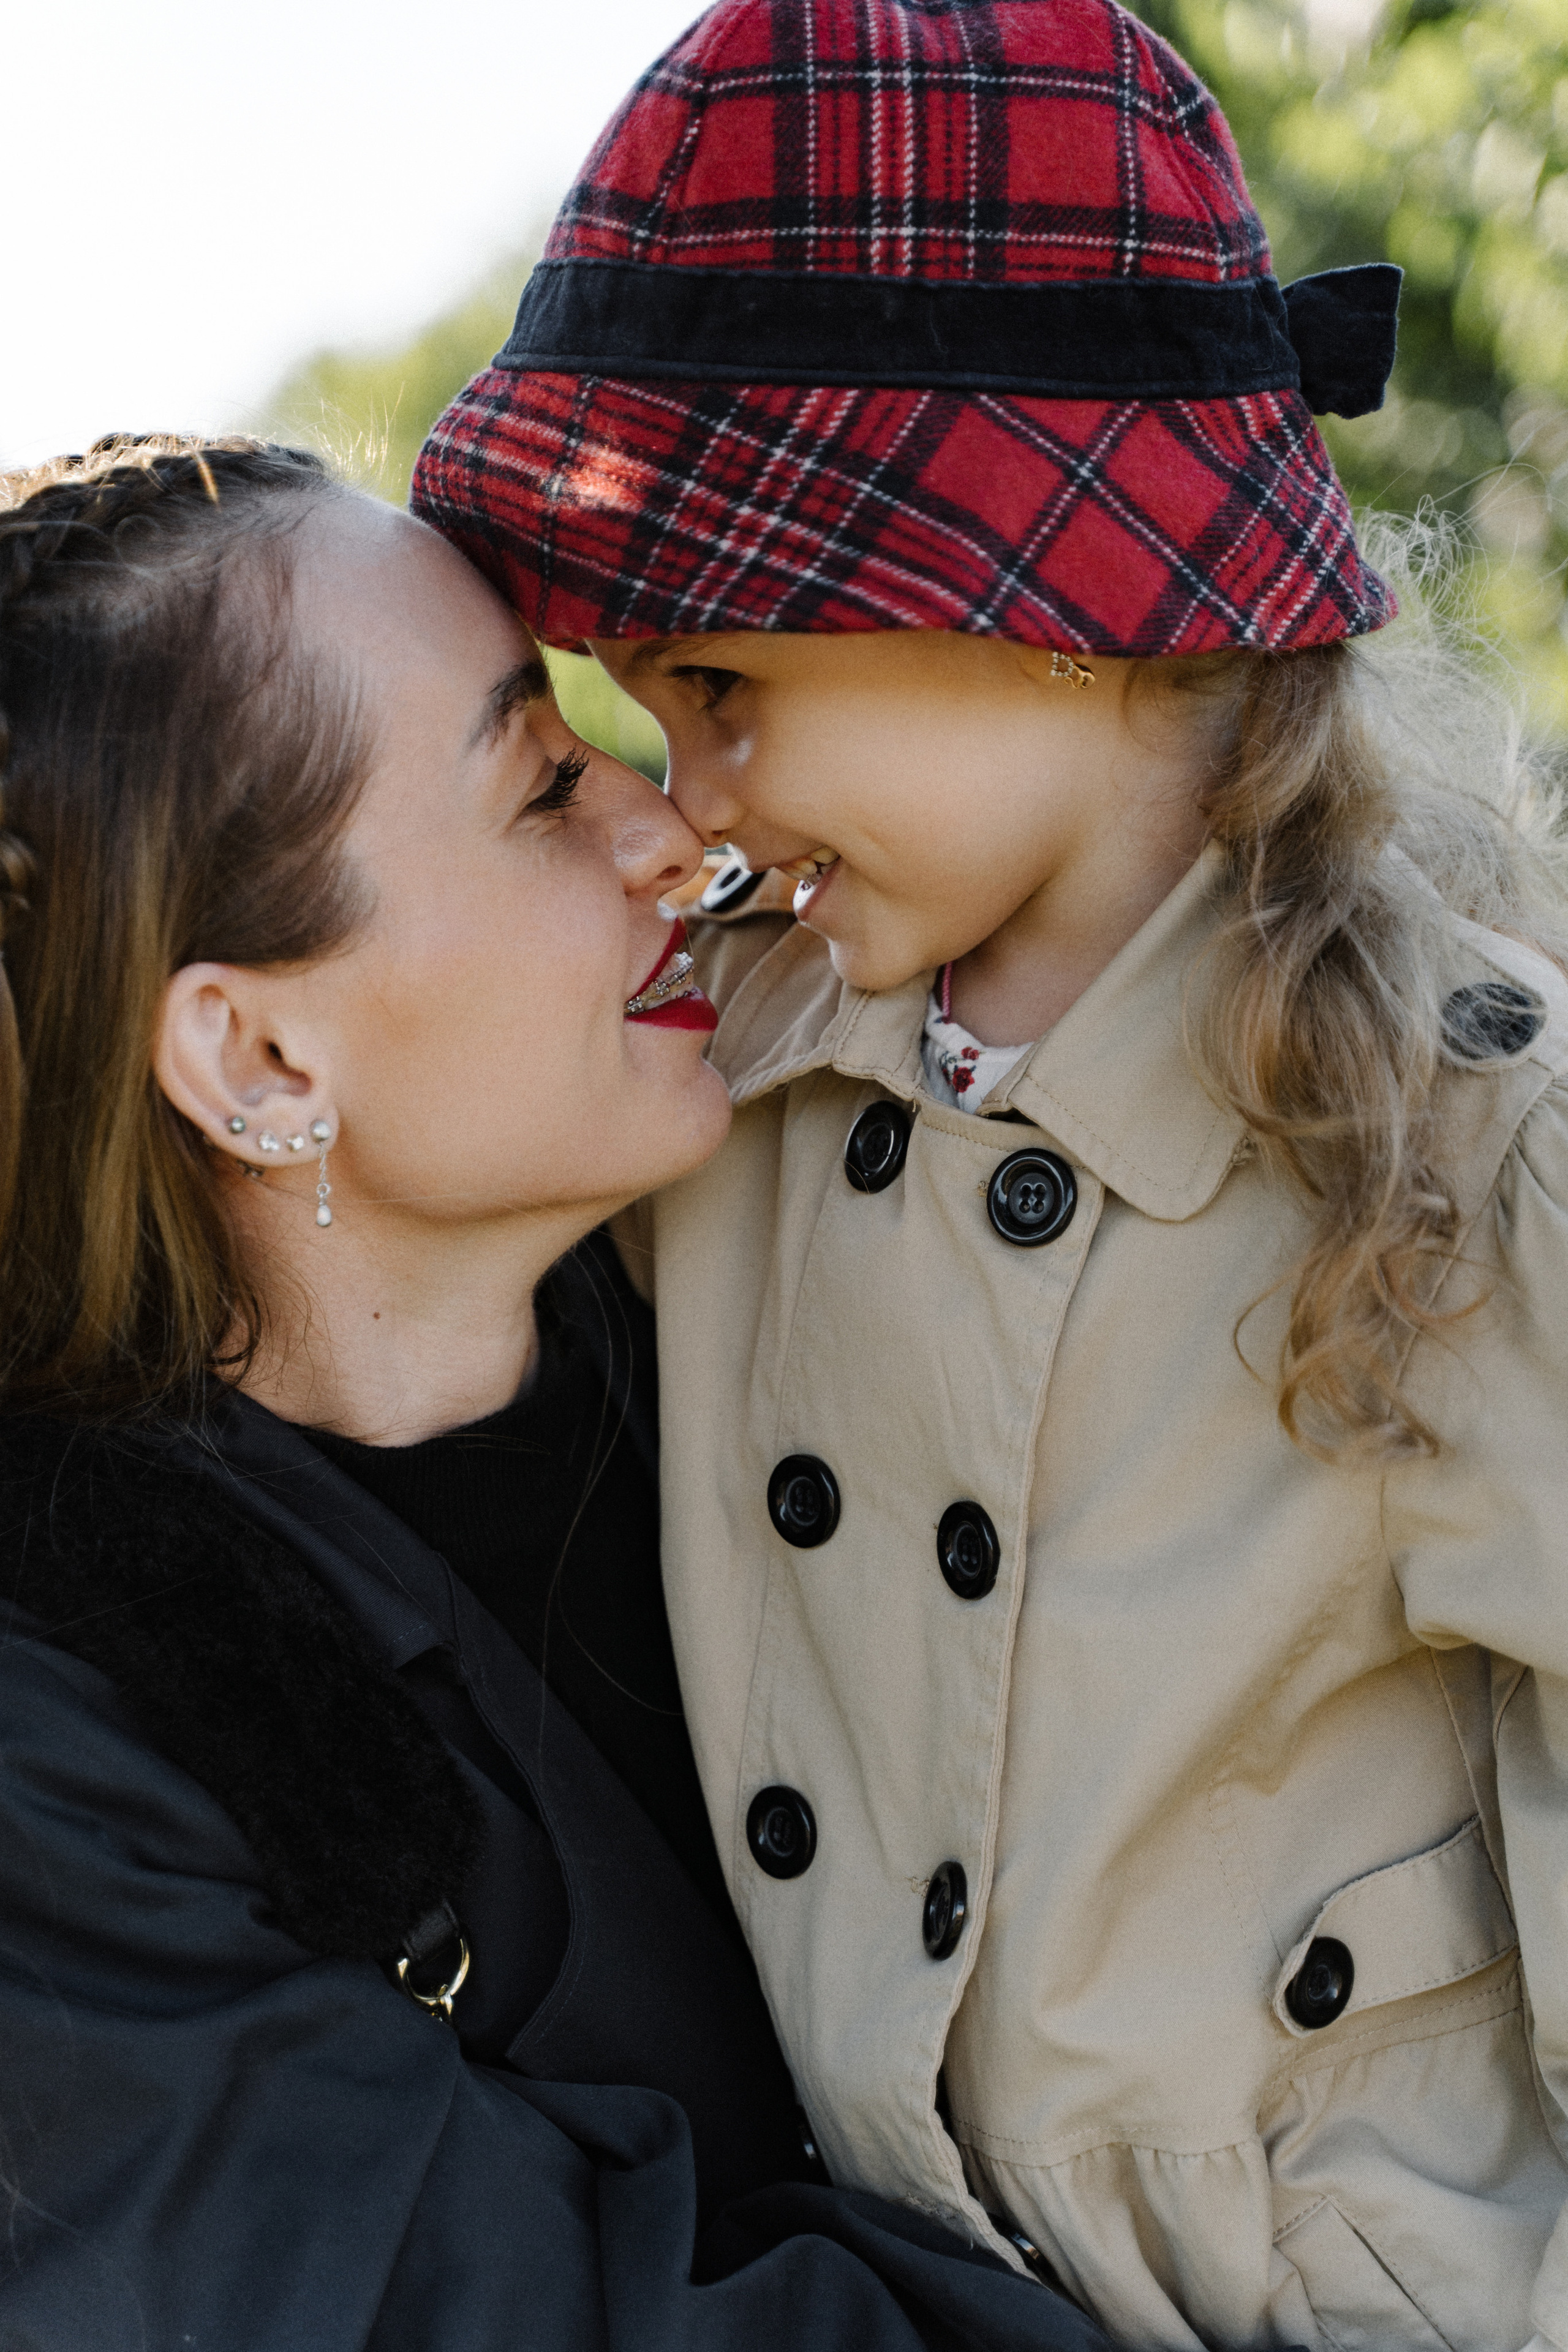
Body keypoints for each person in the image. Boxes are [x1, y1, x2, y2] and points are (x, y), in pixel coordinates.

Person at [413, 1, 1568, 2346]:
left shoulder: (1453, 1134)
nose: (688, 793)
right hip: (904, 2291)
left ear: (1048, 606)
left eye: (730, 683)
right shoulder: (718, 1083)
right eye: (643, 707)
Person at [0, 435, 1110, 2351]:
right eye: (536, 785)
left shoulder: (852, 1276)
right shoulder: (56, 1750)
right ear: (259, 1053)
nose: (670, 833)